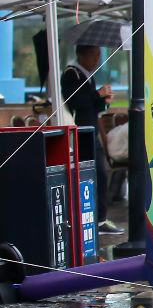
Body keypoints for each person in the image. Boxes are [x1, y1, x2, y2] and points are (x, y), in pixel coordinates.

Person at [61, 43, 123, 234]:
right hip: (80, 132)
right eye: (93, 56)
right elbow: (76, 101)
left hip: (91, 130)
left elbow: (93, 107)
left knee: (100, 174)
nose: (96, 61)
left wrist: (104, 102)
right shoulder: (72, 74)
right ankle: (94, 218)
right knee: (92, 174)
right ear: (82, 55)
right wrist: (97, 94)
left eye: (97, 56)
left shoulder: (88, 77)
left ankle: (100, 218)